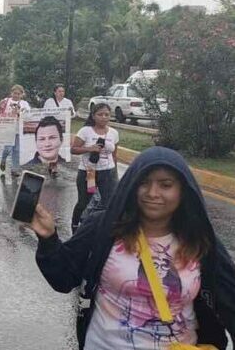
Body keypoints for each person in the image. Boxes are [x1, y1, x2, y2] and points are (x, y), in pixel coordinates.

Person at [29, 147, 235, 350]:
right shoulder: (103, 228)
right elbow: (63, 278)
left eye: (166, 185)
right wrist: (48, 239)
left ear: (182, 191)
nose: (153, 193)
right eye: (143, 183)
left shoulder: (202, 241)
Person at [71, 102, 119, 233]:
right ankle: (75, 226)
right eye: (100, 114)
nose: (104, 117)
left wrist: (115, 173)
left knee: (109, 203)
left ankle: (106, 230)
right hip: (89, 173)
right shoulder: (85, 131)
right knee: (84, 202)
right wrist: (90, 148)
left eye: (106, 114)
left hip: (107, 173)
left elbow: (114, 155)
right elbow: (73, 149)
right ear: (93, 116)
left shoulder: (114, 133)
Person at [0, 85, 31, 177]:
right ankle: (3, 160)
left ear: (22, 94)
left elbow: (29, 116)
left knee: (16, 150)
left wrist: (19, 113)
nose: (16, 95)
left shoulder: (25, 104)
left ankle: (14, 169)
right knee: (8, 148)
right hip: (8, 129)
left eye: (18, 94)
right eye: (14, 93)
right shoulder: (6, 101)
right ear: (11, 93)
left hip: (19, 129)